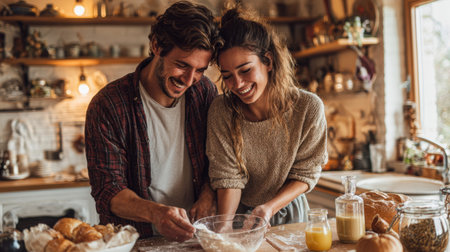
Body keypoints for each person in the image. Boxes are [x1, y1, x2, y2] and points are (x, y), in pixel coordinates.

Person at [85, 1, 222, 241]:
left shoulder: (205, 93)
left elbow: (221, 158)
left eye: (200, 69)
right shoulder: (108, 105)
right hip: (136, 241)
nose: (190, 80)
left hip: (198, 238)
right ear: (156, 45)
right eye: (182, 65)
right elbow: (109, 190)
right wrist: (157, 214)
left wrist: (209, 194)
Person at [206, 6, 328, 226]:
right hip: (238, 214)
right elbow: (228, 177)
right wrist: (224, 226)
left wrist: (269, 207)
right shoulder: (221, 111)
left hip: (290, 214)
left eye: (245, 70)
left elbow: (306, 173)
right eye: (227, 76)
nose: (238, 84)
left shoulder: (308, 108)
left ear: (268, 62)